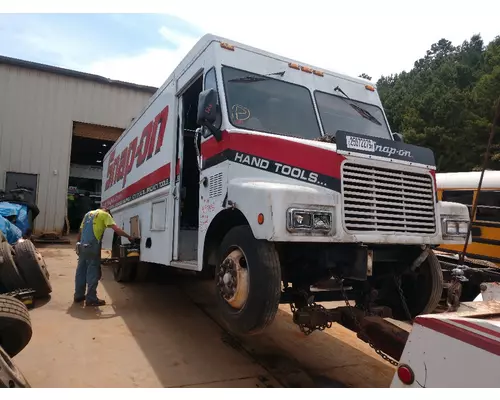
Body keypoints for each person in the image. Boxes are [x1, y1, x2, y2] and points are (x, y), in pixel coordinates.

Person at [74, 207, 136, 306]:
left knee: (81, 271)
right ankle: (91, 299)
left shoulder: (88, 214)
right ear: (108, 212)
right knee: (93, 272)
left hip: (82, 245)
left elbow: (80, 231)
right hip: (92, 246)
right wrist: (129, 237)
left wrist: (78, 243)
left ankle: (79, 295)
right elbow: (117, 230)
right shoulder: (105, 215)